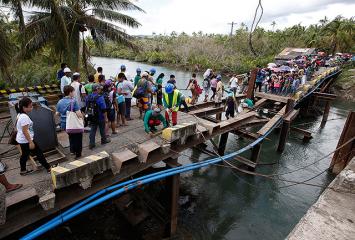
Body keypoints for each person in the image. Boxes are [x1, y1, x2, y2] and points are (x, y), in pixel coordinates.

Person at [15, 97, 51, 175]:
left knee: (24, 155)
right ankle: (48, 168)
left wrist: (34, 105)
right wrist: (31, 142)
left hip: (22, 140)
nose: (31, 108)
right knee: (39, 153)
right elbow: (25, 131)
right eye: (30, 106)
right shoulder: (24, 117)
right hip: (26, 140)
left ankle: (23, 170)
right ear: (24, 107)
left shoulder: (20, 113)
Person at [56, 85, 84, 159]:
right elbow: (78, 114)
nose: (74, 93)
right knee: (78, 138)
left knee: (71, 137)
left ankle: (72, 151)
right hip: (73, 124)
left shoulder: (60, 101)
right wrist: (82, 119)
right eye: (73, 91)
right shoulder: (73, 101)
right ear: (70, 92)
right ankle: (78, 154)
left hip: (64, 124)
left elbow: (57, 113)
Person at [86, 84, 111, 149]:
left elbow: (86, 106)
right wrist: (106, 118)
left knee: (93, 129)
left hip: (91, 116)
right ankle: (103, 140)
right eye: (99, 89)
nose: (100, 90)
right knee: (102, 129)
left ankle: (91, 144)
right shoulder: (100, 98)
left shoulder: (88, 97)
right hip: (100, 117)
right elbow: (104, 109)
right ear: (97, 89)